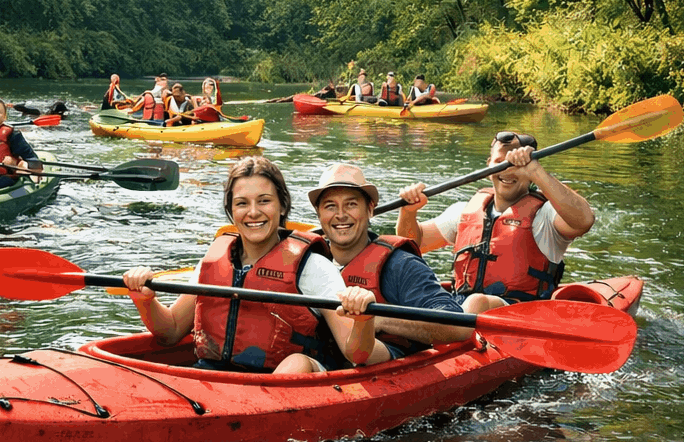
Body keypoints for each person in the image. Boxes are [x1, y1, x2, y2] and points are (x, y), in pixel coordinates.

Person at [122, 157, 392, 375]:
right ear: (231, 210)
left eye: (264, 201)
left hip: (290, 384)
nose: (253, 212)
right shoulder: (214, 260)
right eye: (242, 203)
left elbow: (354, 353)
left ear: (282, 206)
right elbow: (169, 333)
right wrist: (145, 301)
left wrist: (363, 320)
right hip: (215, 377)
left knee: (296, 363)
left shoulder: (312, 267)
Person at [395, 131, 595, 312]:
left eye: (517, 165)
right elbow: (411, 244)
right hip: (461, 309)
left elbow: (584, 220)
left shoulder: (546, 215)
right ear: (489, 163)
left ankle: (443, 328)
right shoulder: (463, 211)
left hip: (520, 316)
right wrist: (408, 212)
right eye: (500, 162)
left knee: (476, 302)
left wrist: (535, 170)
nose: (507, 171)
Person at [308, 163, 473, 355]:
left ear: (370, 209)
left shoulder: (400, 264)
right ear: (318, 214)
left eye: (351, 204)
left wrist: (380, 320)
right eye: (330, 206)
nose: (341, 215)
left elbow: (460, 327)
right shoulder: (308, 262)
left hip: (382, 368)